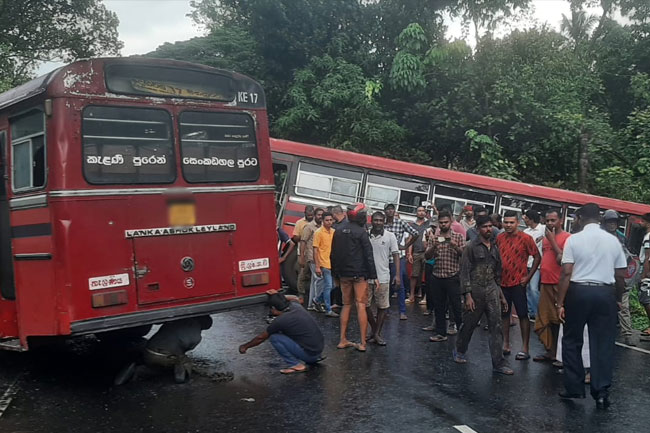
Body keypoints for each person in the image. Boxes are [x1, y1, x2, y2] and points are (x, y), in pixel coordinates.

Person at [556, 203, 627, 409]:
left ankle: (574, 387)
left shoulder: (574, 240)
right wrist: (617, 298)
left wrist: (559, 302)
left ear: (579, 218)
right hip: (605, 293)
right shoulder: (612, 241)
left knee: (571, 340)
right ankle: (601, 391)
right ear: (599, 218)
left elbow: (566, 272)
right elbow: (620, 275)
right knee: (603, 342)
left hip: (578, 292)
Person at [453, 215, 513, 375]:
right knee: (469, 325)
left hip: (491, 290)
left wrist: (501, 295)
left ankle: (498, 363)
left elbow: (497, 274)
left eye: (490, 226)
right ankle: (460, 350)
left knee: (496, 326)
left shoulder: (494, 248)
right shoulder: (471, 247)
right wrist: (467, 295)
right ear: (478, 228)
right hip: (475, 291)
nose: (488, 229)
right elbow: (464, 272)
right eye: (485, 226)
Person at [239, 290, 324, 374]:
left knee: (274, 337)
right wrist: (277, 295)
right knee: (289, 331)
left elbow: (260, 338)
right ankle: (310, 357)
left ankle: (296, 365)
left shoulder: (280, 321)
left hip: (310, 356)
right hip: (318, 351)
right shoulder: (295, 306)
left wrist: (245, 346)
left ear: (273, 309)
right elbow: (294, 297)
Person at [114, 316, 214, 385]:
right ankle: (181, 380)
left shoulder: (176, 320)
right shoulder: (196, 337)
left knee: (147, 361)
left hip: (148, 351)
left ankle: (132, 372)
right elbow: (183, 350)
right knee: (184, 361)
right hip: (163, 357)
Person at [331, 203, 377, 352]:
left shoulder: (337, 230)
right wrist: (373, 276)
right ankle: (362, 342)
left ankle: (342, 340)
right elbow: (368, 255)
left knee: (346, 305)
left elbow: (334, 255)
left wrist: (335, 274)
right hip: (359, 274)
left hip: (343, 274)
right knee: (361, 305)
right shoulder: (362, 232)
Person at [496, 210, 541, 361]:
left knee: (523, 314)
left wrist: (528, 277)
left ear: (517, 223)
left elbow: (537, 257)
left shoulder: (526, 238)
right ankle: (506, 344)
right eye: (506, 222)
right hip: (502, 283)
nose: (508, 225)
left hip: (518, 283)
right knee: (504, 314)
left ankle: (525, 348)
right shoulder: (500, 238)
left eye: (511, 222)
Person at [533, 209, 570, 363]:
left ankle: (561, 356)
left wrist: (553, 241)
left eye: (553, 220)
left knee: (560, 321)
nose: (549, 223)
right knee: (547, 320)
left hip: (559, 284)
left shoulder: (568, 238)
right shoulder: (545, 238)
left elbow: (563, 260)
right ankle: (551, 352)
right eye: (547, 221)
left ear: (560, 220)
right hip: (545, 282)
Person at [425, 210, 466, 342]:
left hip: (453, 275)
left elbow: (464, 256)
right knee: (439, 306)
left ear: (450, 222)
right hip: (437, 275)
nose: (443, 225)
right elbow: (427, 256)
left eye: (446, 222)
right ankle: (441, 332)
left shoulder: (458, 237)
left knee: (456, 305)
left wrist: (455, 246)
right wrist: (434, 247)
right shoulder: (434, 237)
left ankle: (462, 331)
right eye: (441, 223)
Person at [601, 209, 634, 345]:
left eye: (614, 222)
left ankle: (627, 334)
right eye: (609, 222)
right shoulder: (600, 236)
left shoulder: (622, 237)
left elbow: (628, 257)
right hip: (603, 276)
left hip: (619, 276)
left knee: (623, 307)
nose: (612, 224)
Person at [367, 211, 400, 345]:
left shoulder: (390, 236)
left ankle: (377, 334)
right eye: (376, 220)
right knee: (365, 305)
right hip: (367, 277)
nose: (378, 222)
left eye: (381, 220)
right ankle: (374, 329)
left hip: (383, 277)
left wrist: (397, 275)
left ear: (384, 222)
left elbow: (396, 255)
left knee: (382, 307)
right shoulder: (366, 235)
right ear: (371, 221)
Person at [384, 203, 418, 320]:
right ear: (385, 211)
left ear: (394, 211)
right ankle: (385, 310)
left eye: (392, 209)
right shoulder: (381, 223)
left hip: (397, 257)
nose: (390, 211)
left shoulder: (400, 222)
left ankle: (402, 311)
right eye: (388, 209)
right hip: (384, 257)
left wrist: (406, 245)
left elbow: (415, 233)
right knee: (385, 284)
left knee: (399, 284)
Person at [312, 212, 338, 317]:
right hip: (323, 262)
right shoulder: (318, 232)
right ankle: (328, 309)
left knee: (333, 286)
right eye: (327, 220)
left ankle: (317, 299)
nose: (329, 222)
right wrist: (317, 266)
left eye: (331, 220)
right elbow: (315, 250)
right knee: (328, 286)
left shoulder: (334, 232)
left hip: (332, 263)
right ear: (323, 221)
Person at [523, 209, 545, 319]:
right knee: (527, 288)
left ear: (531, 219)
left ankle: (538, 313)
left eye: (526, 218)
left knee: (533, 288)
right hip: (526, 263)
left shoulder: (543, 229)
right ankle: (531, 312)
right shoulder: (526, 232)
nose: (525, 220)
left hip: (537, 265)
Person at [300, 208, 323, 311]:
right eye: (318, 215)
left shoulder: (323, 227)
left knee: (315, 280)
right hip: (311, 257)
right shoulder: (309, 227)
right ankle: (314, 302)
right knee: (317, 280)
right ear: (314, 215)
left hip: (320, 258)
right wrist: (302, 257)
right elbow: (303, 242)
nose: (320, 217)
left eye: (322, 215)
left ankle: (311, 304)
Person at [407, 206, 430, 303]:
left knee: (426, 275)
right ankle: (412, 295)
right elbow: (411, 239)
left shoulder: (428, 223)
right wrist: (409, 253)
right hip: (416, 252)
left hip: (427, 253)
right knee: (414, 274)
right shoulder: (413, 225)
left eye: (423, 211)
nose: (421, 213)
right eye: (419, 211)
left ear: (425, 213)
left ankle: (424, 297)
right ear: (416, 213)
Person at [295, 206, 315, 301]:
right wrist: (305, 237)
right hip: (303, 251)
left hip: (314, 253)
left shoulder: (318, 224)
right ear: (305, 213)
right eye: (308, 214)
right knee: (302, 273)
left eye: (312, 214)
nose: (310, 216)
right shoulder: (300, 223)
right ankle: (301, 294)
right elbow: (295, 237)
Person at [636, 213, 650, 338]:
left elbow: (647, 257)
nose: (641, 223)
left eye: (643, 221)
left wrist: (644, 276)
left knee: (645, 299)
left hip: (646, 272)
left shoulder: (648, 237)